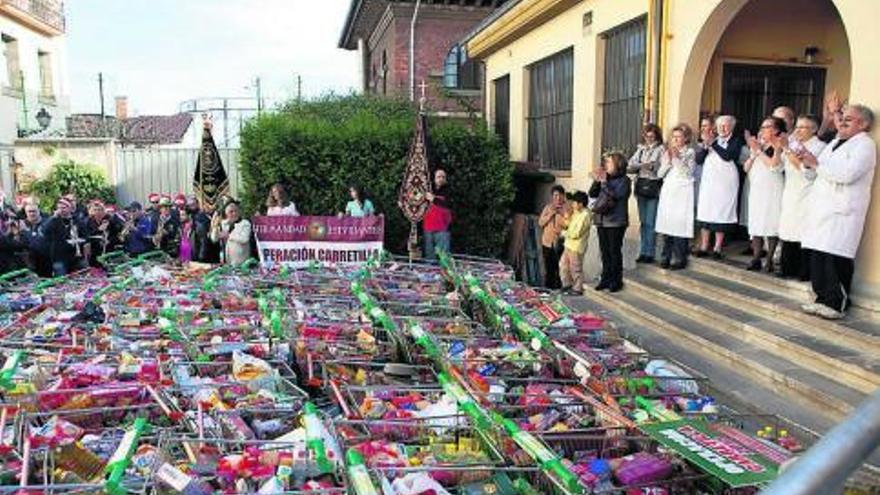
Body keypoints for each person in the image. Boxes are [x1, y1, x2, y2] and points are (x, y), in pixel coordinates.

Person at [800, 104, 876, 319]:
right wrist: (807, 164)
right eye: (842, 117)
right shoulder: (834, 142)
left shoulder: (865, 145)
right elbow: (815, 173)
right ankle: (821, 298)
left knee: (835, 257)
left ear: (863, 125)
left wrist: (816, 164)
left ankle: (837, 303)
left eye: (849, 119)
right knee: (818, 256)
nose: (841, 121)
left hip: (843, 211)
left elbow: (847, 175)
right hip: (821, 209)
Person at [778, 116, 826, 280]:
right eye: (797, 127)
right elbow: (780, 166)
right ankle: (787, 267)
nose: (797, 130)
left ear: (813, 130)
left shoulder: (820, 147)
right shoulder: (792, 144)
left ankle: (803, 271)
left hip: (808, 194)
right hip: (791, 191)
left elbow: (807, 171)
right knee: (788, 230)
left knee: (803, 232)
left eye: (803, 127)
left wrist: (786, 149)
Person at [695, 115, 745, 259]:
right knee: (706, 211)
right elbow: (699, 160)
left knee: (722, 211)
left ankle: (717, 247)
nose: (723, 128)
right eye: (720, 125)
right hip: (709, 182)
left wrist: (713, 144)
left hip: (725, 182)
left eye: (726, 125)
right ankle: (704, 246)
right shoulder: (712, 140)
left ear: (732, 127)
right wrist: (706, 145)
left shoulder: (736, 141)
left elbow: (728, 155)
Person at [743, 117, 786, 272]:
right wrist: (754, 152)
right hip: (757, 189)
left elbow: (775, 166)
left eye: (766, 126)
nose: (762, 129)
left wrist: (759, 151)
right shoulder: (758, 146)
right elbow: (746, 168)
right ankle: (755, 258)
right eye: (761, 126)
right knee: (756, 224)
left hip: (772, 189)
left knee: (770, 223)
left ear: (775, 130)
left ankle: (769, 260)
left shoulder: (779, 145)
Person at [656, 124, 697, 270]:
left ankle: (680, 257)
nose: (675, 140)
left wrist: (676, 158)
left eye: (679, 137)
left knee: (680, 224)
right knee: (667, 222)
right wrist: (667, 161)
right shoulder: (667, 152)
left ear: (686, 138)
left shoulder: (690, 152)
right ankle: (665, 255)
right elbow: (660, 174)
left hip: (683, 193)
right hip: (669, 191)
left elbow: (687, 172)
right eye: (673, 137)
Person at [589, 152, 632, 292]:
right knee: (604, 251)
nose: (605, 165)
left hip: (616, 221)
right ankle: (605, 279)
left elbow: (615, 196)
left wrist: (604, 183)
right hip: (601, 221)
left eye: (609, 162)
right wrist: (597, 180)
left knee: (614, 251)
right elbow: (592, 193)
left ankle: (616, 280)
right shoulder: (605, 178)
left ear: (617, 164)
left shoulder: (624, 180)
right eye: (605, 162)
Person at [628, 124, 665, 264]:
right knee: (643, 222)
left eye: (652, 136)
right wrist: (643, 165)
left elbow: (660, 168)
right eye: (646, 136)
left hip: (653, 187)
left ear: (656, 136)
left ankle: (650, 252)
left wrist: (649, 166)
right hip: (641, 186)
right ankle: (643, 251)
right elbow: (630, 165)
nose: (649, 139)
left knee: (650, 222)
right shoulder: (641, 149)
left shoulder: (661, 149)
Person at [538, 185, 571, 289]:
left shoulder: (567, 208)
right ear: (552, 196)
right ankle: (548, 289)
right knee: (549, 268)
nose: (558, 198)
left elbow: (568, 225)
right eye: (555, 195)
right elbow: (540, 223)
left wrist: (560, 214)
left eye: (560, 195)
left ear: (563, 196)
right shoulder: (548, 207)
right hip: (547, 242)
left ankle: (559, 288)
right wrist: (550, 214)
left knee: (559, 267)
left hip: (560, 242)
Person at [44, 197, 88, 276]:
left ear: (70, 208)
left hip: (76, 257)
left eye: (64, 208)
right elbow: (45, 231)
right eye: (59, 208)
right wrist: (53, 217)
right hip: (59, 258)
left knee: (85, 270)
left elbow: (85, 237)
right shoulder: (53, 221)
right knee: (60, 278)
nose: (62, 210)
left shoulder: (77, 220)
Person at [558, 191, 590, 295]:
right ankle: (567, 284)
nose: (572, 205)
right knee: (563, 265)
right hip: (568, 244)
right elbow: (569, 225)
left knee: (575, 268)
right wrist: (566, 218)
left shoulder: (585, 215)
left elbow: (577, 233)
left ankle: (577, 288)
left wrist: (564, 233)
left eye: (574, 203)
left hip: (576, 246)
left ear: (581, 203)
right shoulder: (576, 212)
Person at [211, 200, 253, 266]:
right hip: (228, 261)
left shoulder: (245, 223)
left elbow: (244, 239)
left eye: (236, 211)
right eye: (231, 212)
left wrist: (229, 236)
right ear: (226, 213)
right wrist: (215, 226)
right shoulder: (223, 223)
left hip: (242, 262)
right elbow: (214, 239)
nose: (234, 213)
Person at [423, 168, 453, 260]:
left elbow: (448, 204)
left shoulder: (449, 191)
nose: (441, 179)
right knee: (429, 257)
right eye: (439, 177)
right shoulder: (428, 190)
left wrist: (433, 199)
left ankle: (444, 274)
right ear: (434, 179)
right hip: (428, 228)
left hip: (443, 229)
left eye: (443, 177)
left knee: (443, 258)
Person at [85, 200, 123, 265]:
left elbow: (118, 232)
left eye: (100, 210)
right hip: (96, 251)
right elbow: (88, 236)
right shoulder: (89, 221)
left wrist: (109, 240)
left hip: (109, 249)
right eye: (95, 210)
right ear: (92, 211)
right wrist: (98, 229)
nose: (98, 212)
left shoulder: (109, 219)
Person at [20, 202, 51, 276]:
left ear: (39, 211)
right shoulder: (22, 223)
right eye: (29, 211)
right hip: (28, 259)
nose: (32, 214)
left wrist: (26, 232)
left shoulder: (47, 223)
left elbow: (40, 243)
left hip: (45, 258)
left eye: (34, 211)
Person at [185, 197, 211, 262]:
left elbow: (203, 239)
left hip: (200, 254)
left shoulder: (200, 217)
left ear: (197, 204)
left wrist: (201, 256)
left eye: (193, 204)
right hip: (192, 251)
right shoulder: (191, 216)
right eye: (189, 205)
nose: (191, 207)